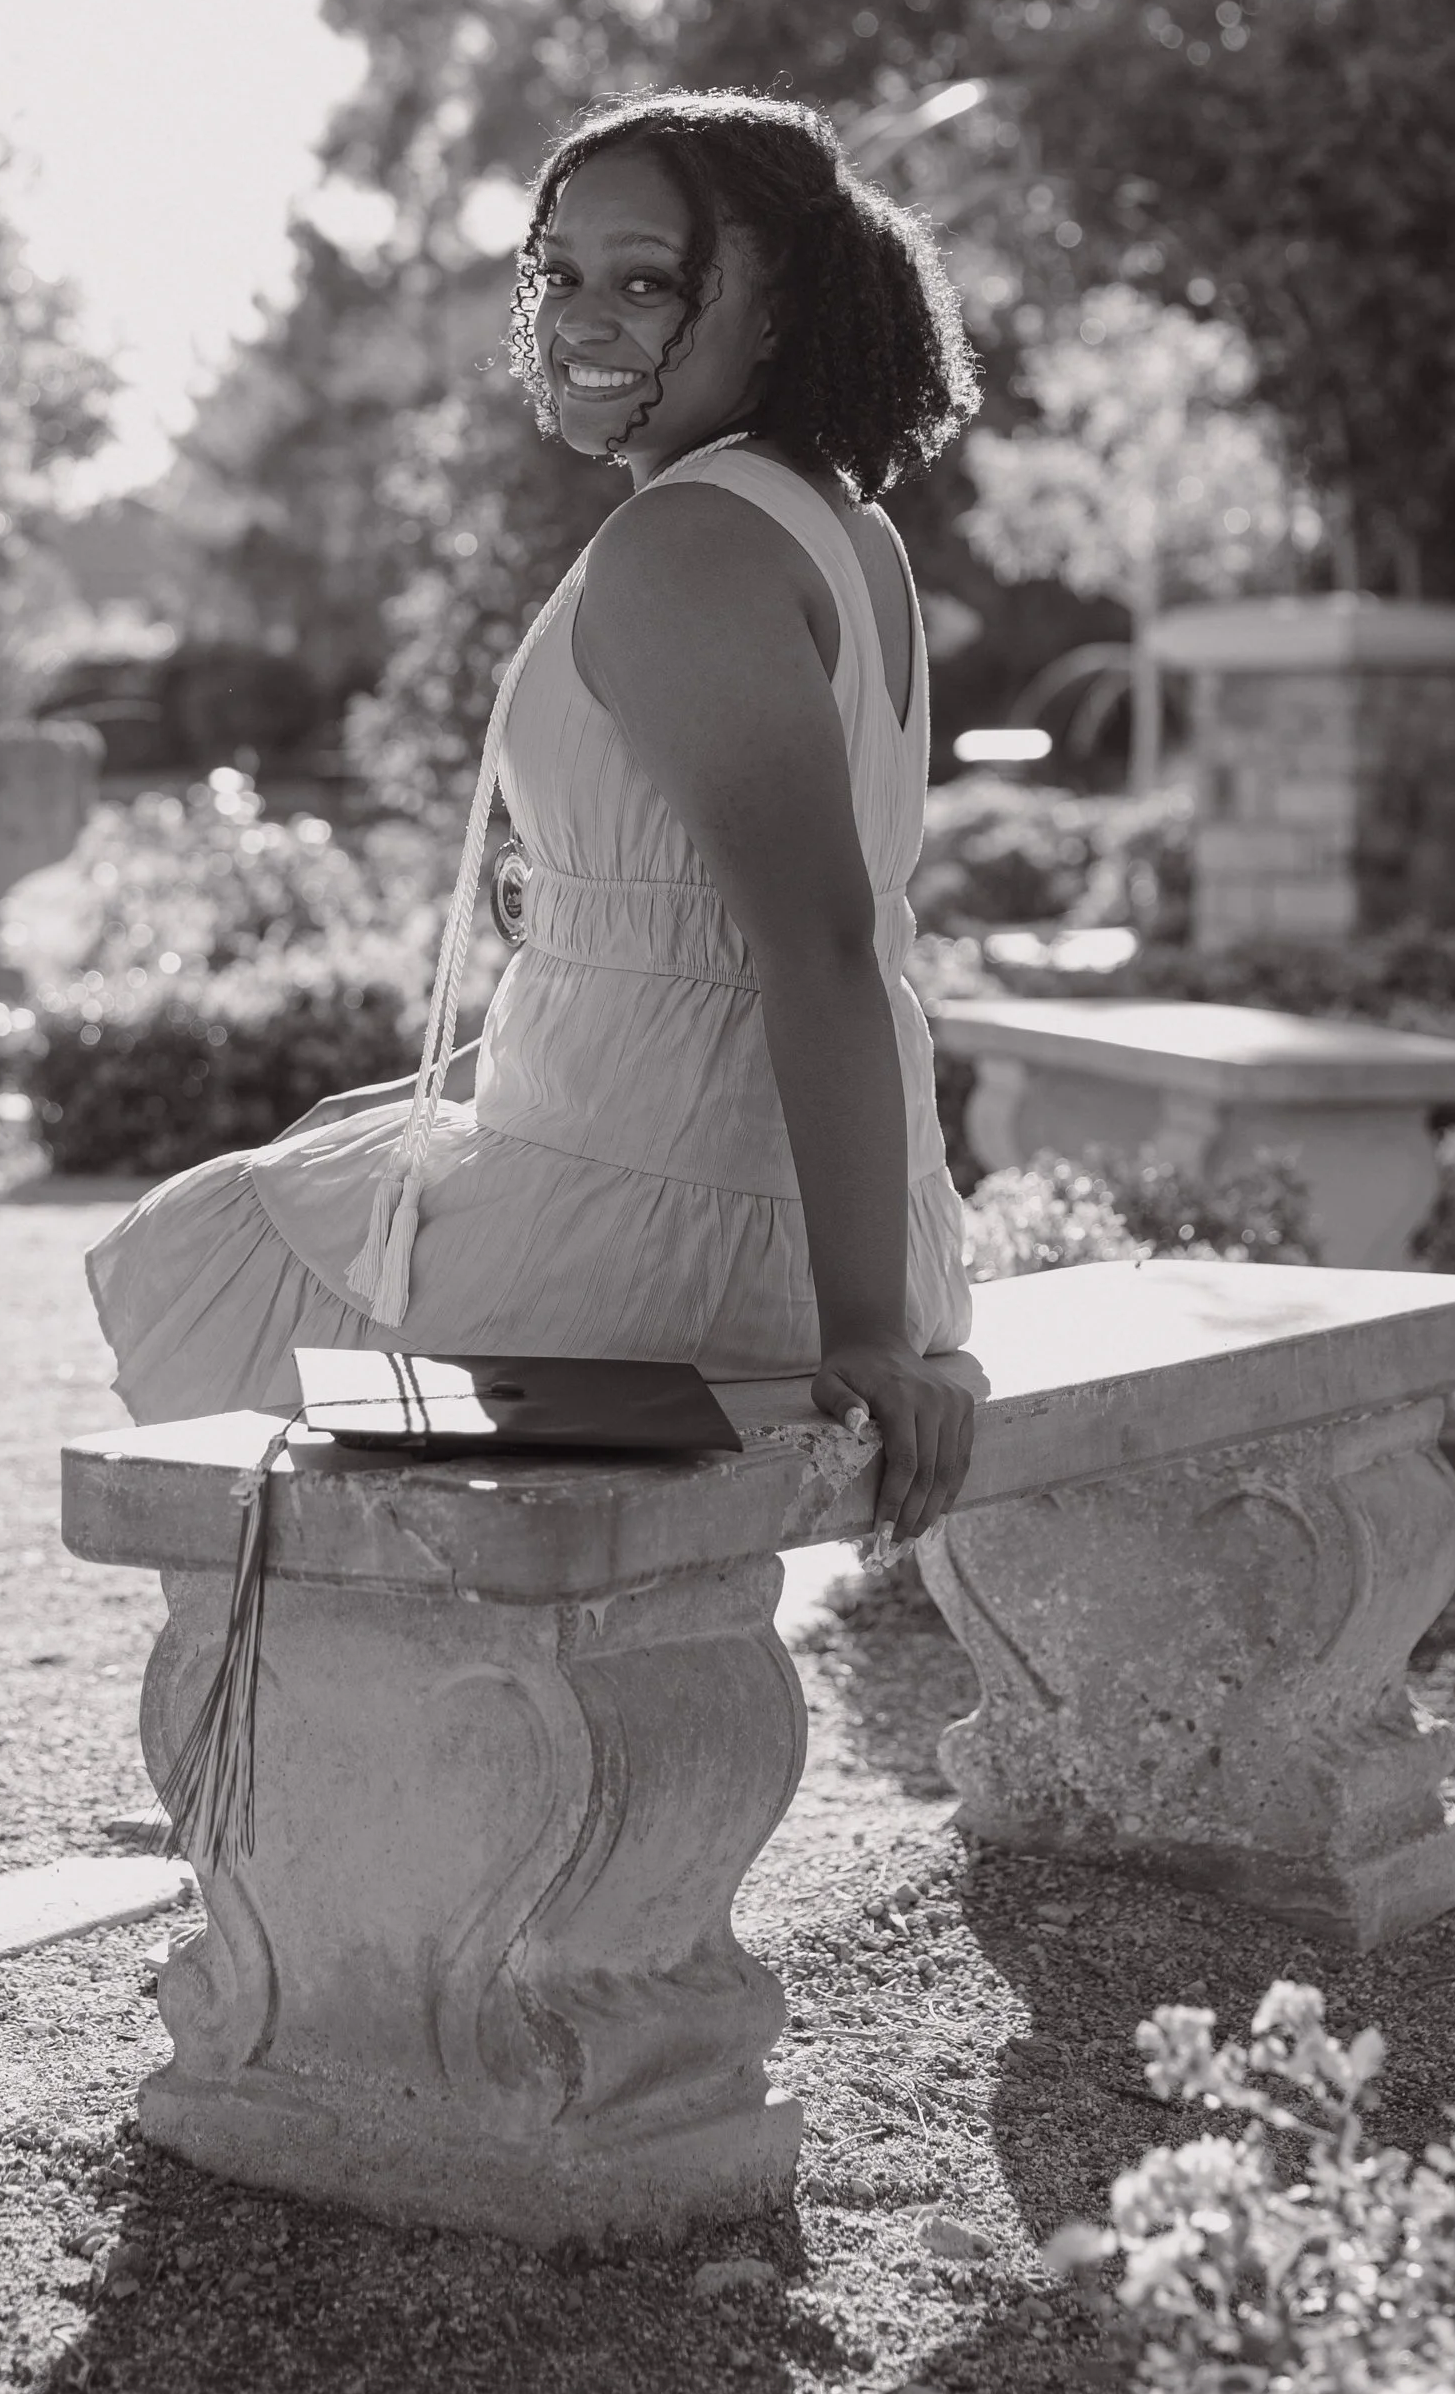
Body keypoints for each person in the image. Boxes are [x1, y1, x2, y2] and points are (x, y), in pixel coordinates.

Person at [86, 89, 980, 1539]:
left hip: (696, 1258)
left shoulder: (687, 541)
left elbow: (817, 948)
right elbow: (685, 943)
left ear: (784, 303)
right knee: (324, 1159)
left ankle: (382, 1724)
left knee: (216, 1257)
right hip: (748, 1201)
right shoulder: (830, 513)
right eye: (560, 271)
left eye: (650, 279)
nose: (582, 315)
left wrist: (866, 1334)